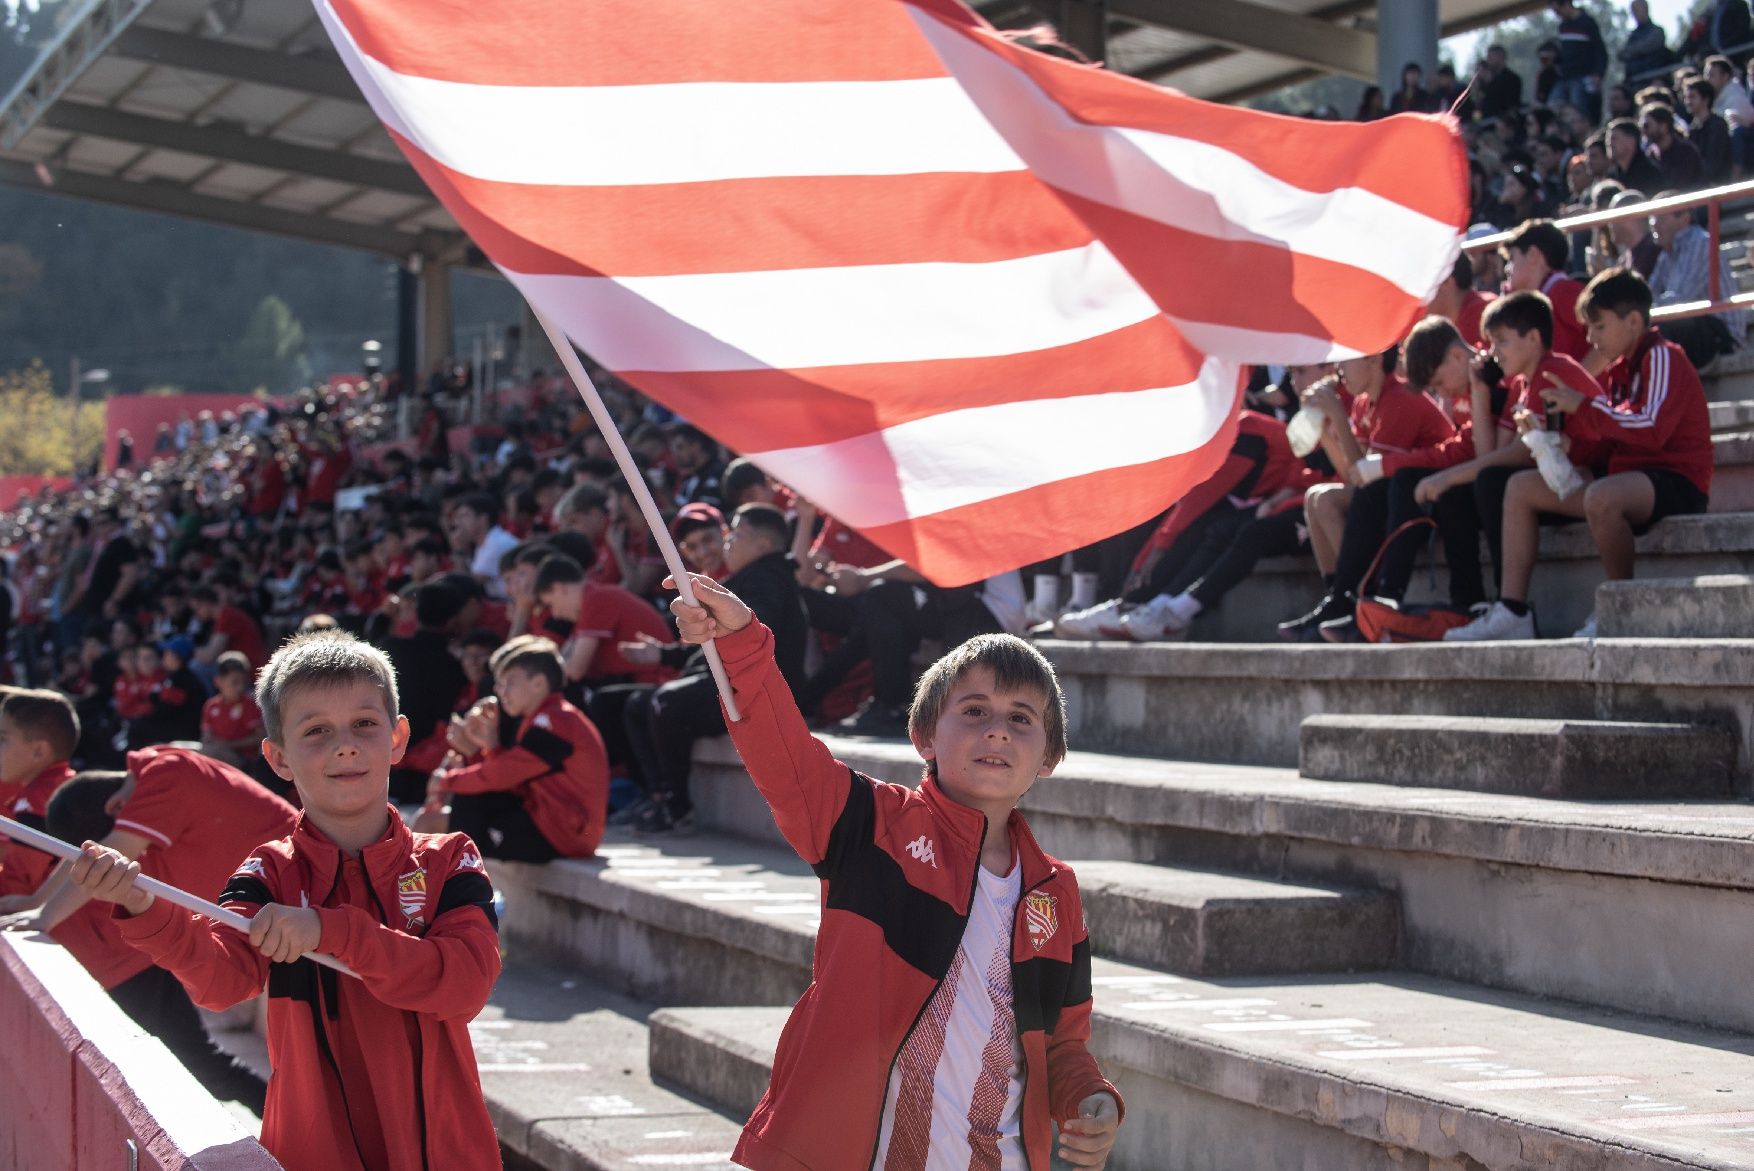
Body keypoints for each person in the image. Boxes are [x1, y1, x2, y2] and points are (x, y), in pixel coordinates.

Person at [667, 571, 1122, 1169]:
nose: (996, 729)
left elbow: (1065, 1042)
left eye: (1021, 718)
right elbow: (785, 756)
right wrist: (743, 643)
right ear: (924, 735)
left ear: (1050, 757)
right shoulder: (870, 825)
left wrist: (1092, 1100)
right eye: (976, 709)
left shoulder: (1055, 892)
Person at [65, 629, 504, 1171]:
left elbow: (464, 986)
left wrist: (331, 931)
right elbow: (223, 981)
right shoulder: (268, 870)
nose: (345, 744)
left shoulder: (450, 859)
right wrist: (142, 906)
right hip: (310, 1152)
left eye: (365, 724)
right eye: (316, 731)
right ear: (277, 758)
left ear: (397, 738)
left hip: (444, 1152)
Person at [13, 748, 299, 1107]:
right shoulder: (155, 827)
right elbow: (95, 858)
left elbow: (110, 854)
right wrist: (35, 903)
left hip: (314, 894)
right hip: (284, 928)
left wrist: (44, 916)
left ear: (117, 809)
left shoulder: (165, 772)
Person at [1450, 268, 1713, 641]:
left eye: (1599, 326)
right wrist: (1566, 446)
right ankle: (1513, 610)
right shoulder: (1622, 369)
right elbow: (1611, 438)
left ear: (1634, 321)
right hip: (1630, 476)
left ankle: (1620, 604)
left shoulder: (1663, 356)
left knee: (1601, 497)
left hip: (1675, 479)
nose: (1590, 338)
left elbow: (1651, 429)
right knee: (1520, 489)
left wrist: (1582, 408)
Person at [1411, 291, 1605, 608]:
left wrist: (1446, 476)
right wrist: (1480, 391)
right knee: (1458, 495)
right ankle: (1469, 603)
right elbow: (1489, 453)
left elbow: (1517, 455)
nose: (1492, 352)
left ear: (1532, 338)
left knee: (1491, 483)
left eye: (1501, 341)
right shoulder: (1520, 383)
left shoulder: (1551, 371)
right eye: (1490, 343)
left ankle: (1508, 603)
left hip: (1589, 480)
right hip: (1553, 481)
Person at [1275, 349, 1455, 641]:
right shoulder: (1364, 401)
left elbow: (1365, 477)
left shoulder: (1400, 396)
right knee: (1317, 496)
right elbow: (1354, 473)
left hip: (1432, 500)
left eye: (1345, 359)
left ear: (1373, 361)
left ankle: (1354, 599)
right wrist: (1323, 428)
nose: (1337, 368)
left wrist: (1338, 418)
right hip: (1389, 494)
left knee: (1329, 499)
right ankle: (1337, 597)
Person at [423, 636, 609, 861]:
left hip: (564, 834)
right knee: (450, 815)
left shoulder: (556, 720)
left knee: (456, 811)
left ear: (538, 683)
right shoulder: (543, 717)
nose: (501, 692)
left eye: (508, 682)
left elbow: (502, 775)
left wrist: (447, 781)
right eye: (498, 684)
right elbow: (514, 780)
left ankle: (446, 890)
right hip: (554, 823)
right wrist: (489, 746)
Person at [532, 550, 674, 693]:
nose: (555, 614)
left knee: (576, 692)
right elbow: (564, 660)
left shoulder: (596, 598)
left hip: (657, 681)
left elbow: (575, 670)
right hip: (636, 679)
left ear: (559, 589)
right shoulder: (589, 601)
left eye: (551, 605)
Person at [1646, 193, 1747, 369]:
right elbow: (1648, 296)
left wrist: (1643, 307)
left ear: (1684, 218)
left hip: (1720, 334)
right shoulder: (1665, 255)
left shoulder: (1700, 242)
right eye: (1652, 218)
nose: (1654, 223)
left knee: (1659, 323)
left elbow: (1683, 299)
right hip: (1693, 325)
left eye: (1661, 217)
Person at [1502, 219, 1591, 362]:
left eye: (1512, 258)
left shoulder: (1563, 291)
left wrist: (1578, 379)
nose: (1507, 269)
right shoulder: (1544, 296)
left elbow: (1608, 341)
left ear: (1533, 254)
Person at [448, 491, 520, 600]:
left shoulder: (497, 543)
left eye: (464, 516)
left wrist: (458, 550)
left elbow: (467, 586)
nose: (458, 524)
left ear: (483, 519)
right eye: (457, 518)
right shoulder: (482, 544)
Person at [200, 650, 265, 770]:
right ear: (218, 681)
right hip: (216, 754)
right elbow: (207, 737)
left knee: (211, 753)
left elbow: (260, 737)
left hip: (244, 760)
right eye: (235, 682)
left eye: (243, 682)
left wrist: (229, 745)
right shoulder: (211, 706)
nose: (240, 687)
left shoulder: (250, 704)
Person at [1551, 0, 1606, 120]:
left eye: (1557, 10)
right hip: (1566, 76)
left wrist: (1598, 73)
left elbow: (1600, 50)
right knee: (1553, 104)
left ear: (1566, 5)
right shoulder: (1563, 27)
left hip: (1583, 76)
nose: (1557, 15)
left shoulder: (1587, 23)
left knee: (1579, 110)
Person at [1640, 104, 1703, 191]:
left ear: (1663, 126)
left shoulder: (1685, 151)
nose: (1644, 131)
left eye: (1646, 126)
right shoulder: (1650, 155)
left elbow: (1679, 186)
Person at [1684, 77, 1733, 185]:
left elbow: (1713, 164)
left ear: (1706, 99)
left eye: (1692, 97)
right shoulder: (1693, 129)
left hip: (1718, 185)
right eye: (1686, 97)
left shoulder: (1717, 126)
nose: (1688, 102)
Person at [1606, 117, 1665, 197]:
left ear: (1631, 141)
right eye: (1608, 140)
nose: (1609, 143)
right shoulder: (1613, 176)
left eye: (1614, 138)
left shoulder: (1649, 174)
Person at [1475, 44, 1522, 120]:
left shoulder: (1512, 79)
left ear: (1500, 57)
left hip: (1504, 125)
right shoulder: (1488, 83)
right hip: (1487, 125)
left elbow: (1511, 106)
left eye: (1490, 57)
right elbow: (1479, 109)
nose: (1488, 60)